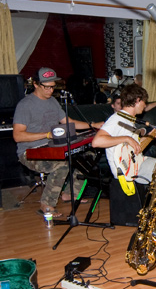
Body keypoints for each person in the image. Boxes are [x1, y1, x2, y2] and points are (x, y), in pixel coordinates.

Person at [14, 67, 102, 219]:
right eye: (46, 87)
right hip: (30, 151)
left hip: (53, 147)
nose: (50, 90)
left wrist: (92, 125)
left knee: (88, 155)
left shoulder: (53, 101)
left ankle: (70, 193)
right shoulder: (25, 105)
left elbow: (68, 122)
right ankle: (46, 204)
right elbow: (18, 136)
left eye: (53, 86)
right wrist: (46, 135)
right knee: (62, 164)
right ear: (35, 84)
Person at [92, 84, 156, 185]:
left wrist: (150, 136)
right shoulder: (117, 118)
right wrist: (127, 138)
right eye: (144, 102)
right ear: (137, 100)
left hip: (137, 163)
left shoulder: (128, 119)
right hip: (127, 171)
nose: (145, 105)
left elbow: (134, 147)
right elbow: (96, 142)